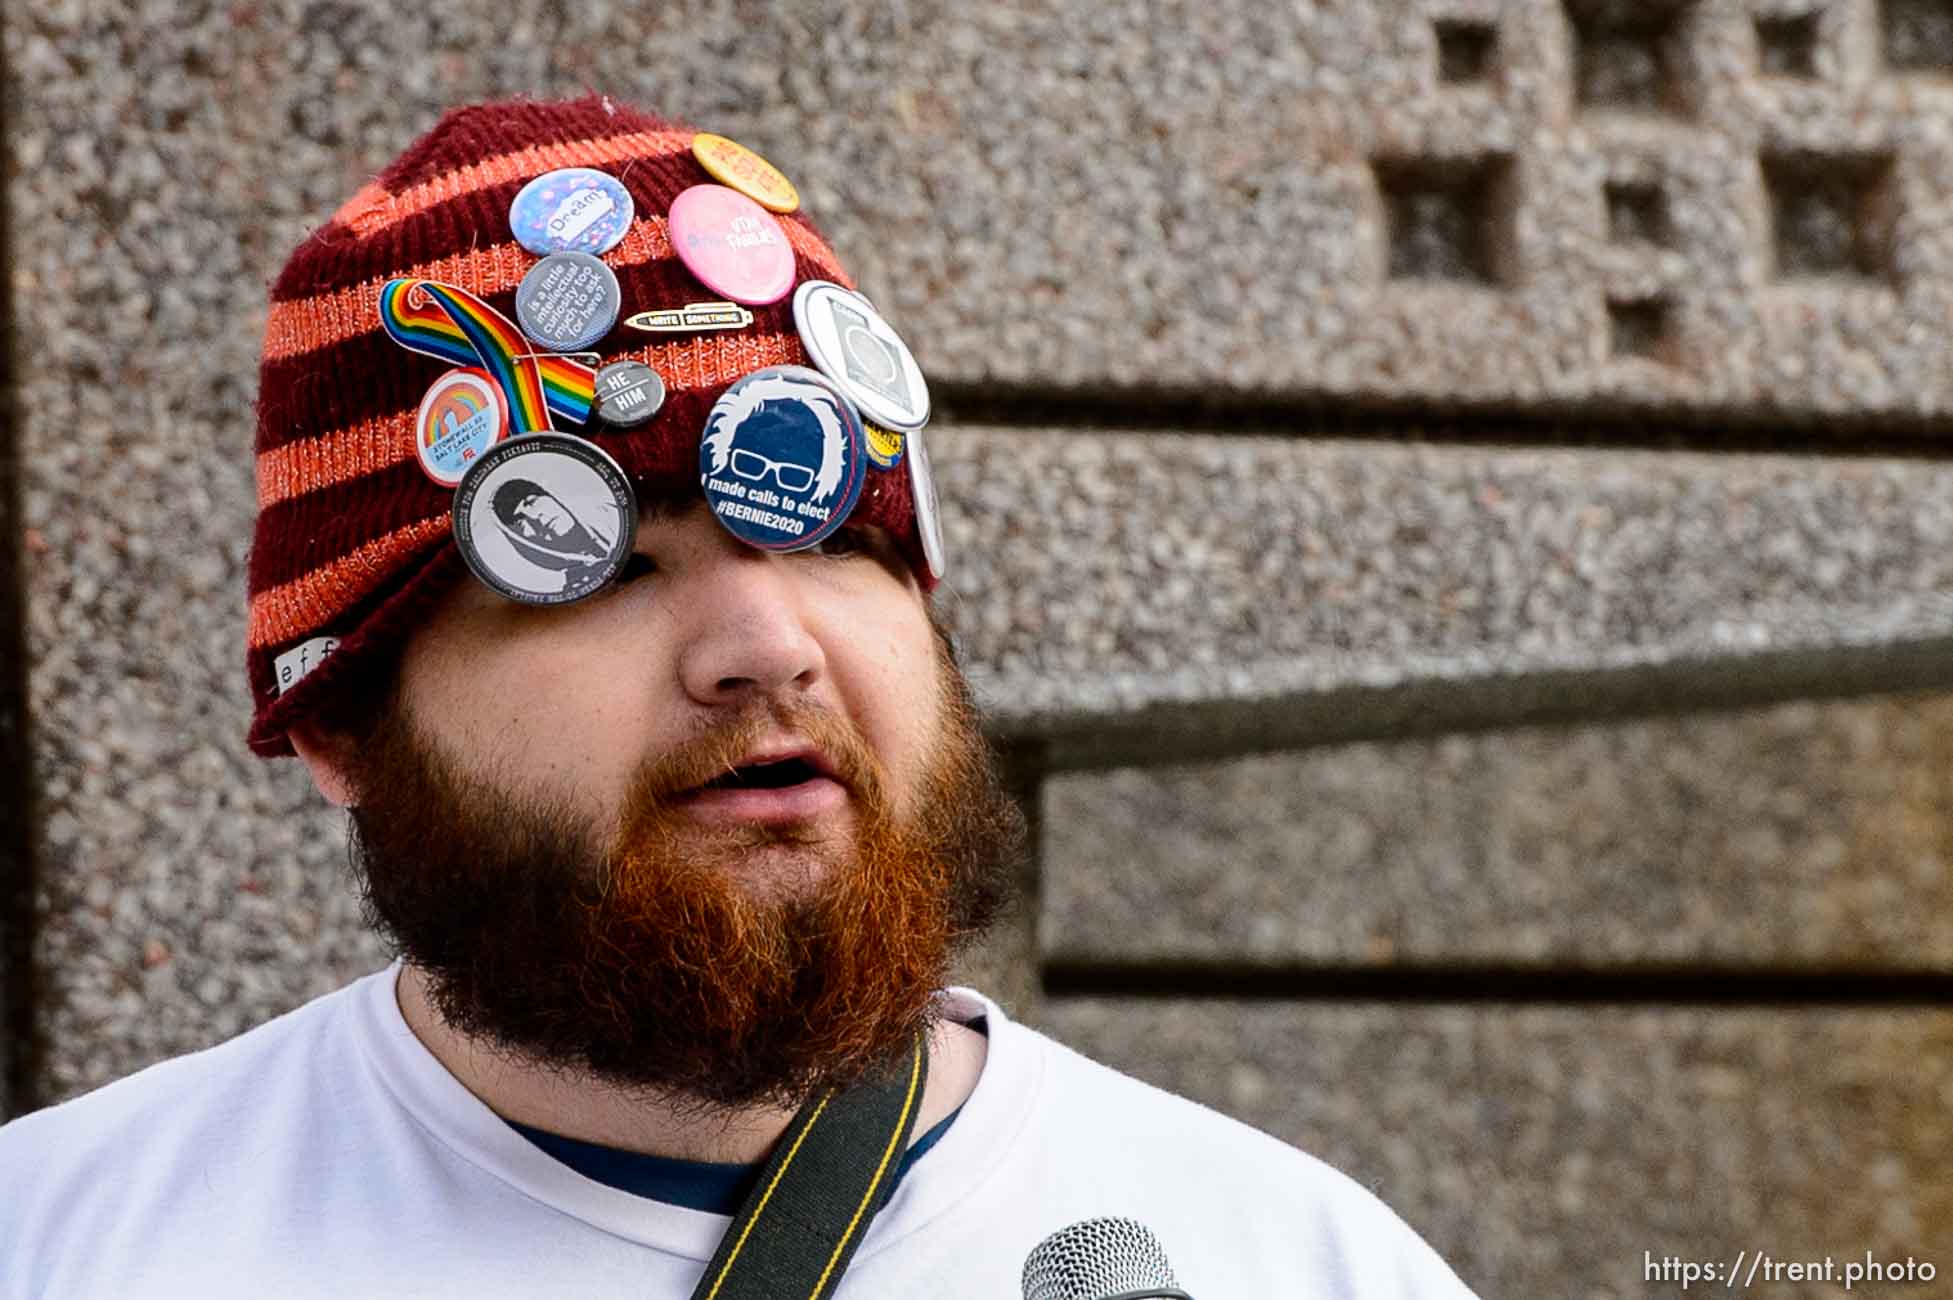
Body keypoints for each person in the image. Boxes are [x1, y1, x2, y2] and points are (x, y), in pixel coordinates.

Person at [0, 97, 1480, 1298]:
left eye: (830, 535)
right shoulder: (70, 1241)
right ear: (339, 724)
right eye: (593, 570)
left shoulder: (1289, 1259)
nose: (764, 646)